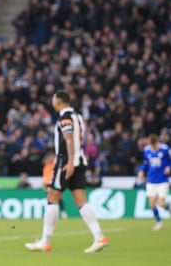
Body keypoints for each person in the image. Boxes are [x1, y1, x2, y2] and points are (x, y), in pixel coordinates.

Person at [25, 91, 107, 253]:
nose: (52, 102)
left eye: (53, 99)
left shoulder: (65, 118)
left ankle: (45, 242)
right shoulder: (78, 117)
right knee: (81, 201)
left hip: (66, 162)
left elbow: (69, 139)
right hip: (80, 160)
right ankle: (99, 237)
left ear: (59, 102)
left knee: (52, 198)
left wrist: (69, 163)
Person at [136, 134, 171, 230]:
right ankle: (159, 223)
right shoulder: (146, 150)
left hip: (163, 180)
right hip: (151, 180)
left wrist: (169, 167)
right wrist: (142, 171)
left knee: (161, 203)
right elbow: (146, 163)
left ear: (158, 142)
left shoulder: (165, 149)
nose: (153, 147)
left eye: (154, 145)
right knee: (152, 203)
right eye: (151, 145)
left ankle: (168, 206)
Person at [42, 150, 67, 218]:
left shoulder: (55, 164)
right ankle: (51, 214)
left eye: (51, 156)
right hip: (47, 184)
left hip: (53, 183)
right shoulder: (46, 165)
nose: (49, 158)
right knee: (49, 199)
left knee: (58, 198)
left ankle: (63, 212)